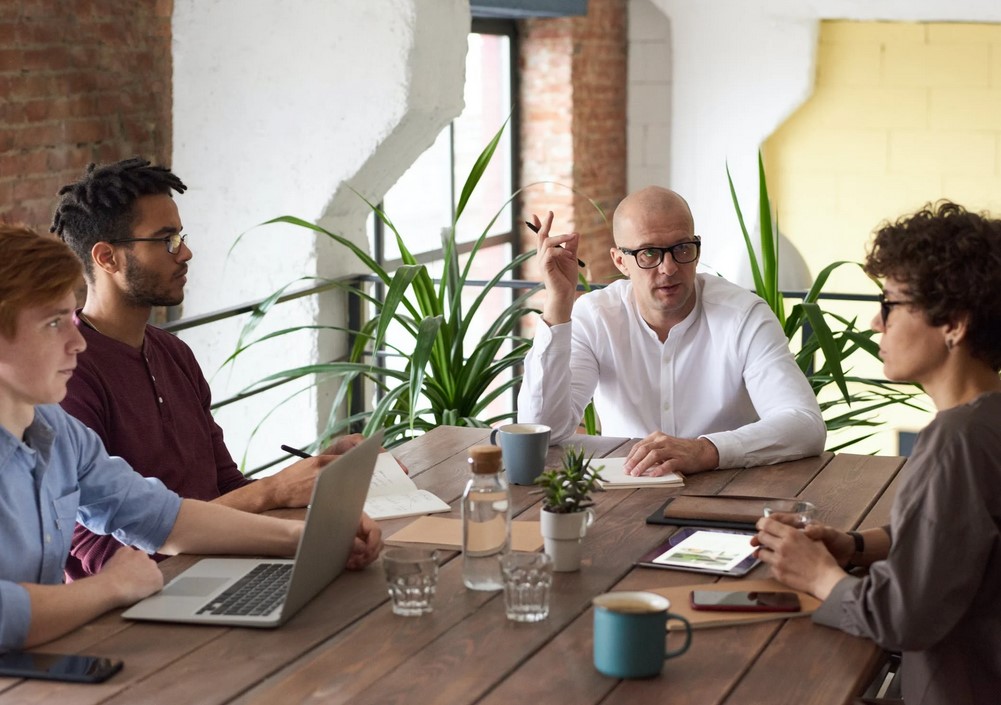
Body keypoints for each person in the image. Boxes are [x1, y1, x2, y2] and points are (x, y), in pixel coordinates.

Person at [0, 224, 382, 650]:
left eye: (70, 318)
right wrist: (113, 586)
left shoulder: (57, 430)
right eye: (54, 323)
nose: (78, 343)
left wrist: (313, 539)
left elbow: (160, 517)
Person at [50, 158, 368, 579]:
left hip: (223, 566)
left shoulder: (173, 353)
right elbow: (101, 556)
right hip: (141, 604)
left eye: (180, 236)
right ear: (107, 257)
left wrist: (314, 476)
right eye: (165, 241)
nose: (185, 252)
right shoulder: (67, 374)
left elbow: (227, 487)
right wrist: (272, 493)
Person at [753, 201, 1001, 705]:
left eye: (890, 303)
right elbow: (963, 538)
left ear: (953, 322)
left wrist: (819, 575)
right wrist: (858, 546)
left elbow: (903, 618)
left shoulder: (956, 441)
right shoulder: (986, 421)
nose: (874, 322)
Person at [517, 186, 825, 476]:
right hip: (626, 492)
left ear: (697, 249)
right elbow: (541, 431)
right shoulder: (597, 317)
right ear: (620, 261)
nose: (669, 268)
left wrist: (704, 451)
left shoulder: (743, 316)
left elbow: (805, 425)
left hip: (727, 489)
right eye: (649, 253)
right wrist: (557, 303)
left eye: (681, 248)